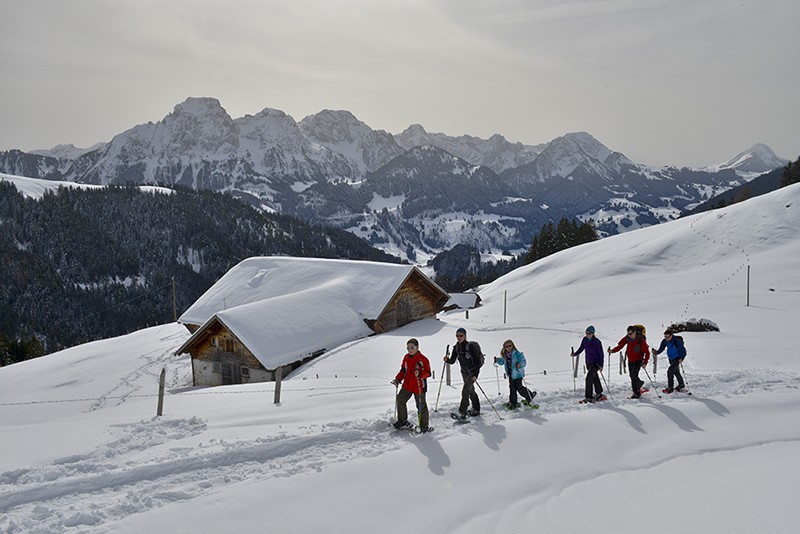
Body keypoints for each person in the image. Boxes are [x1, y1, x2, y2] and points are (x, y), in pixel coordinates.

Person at [391, 338, 432, 432]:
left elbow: (428, 373)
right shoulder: (406, 357)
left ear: (417, 347)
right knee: (400, 399)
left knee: (421, 406)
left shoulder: (423, 359)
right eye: (408, 348)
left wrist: (420, 373)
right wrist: (398, 379)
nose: (410, 350)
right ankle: (402, 421)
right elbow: (403, 370)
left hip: (419, 386)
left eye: (412, 347)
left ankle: (423, 426)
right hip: (407, 385)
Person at [445, 327, 483, 419]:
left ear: (465, 336)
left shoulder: (470, 346)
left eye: (461, 335)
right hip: (464, 372)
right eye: (457, 335)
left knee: (465, 391)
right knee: (471, 391)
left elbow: (478, 362)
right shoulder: (456, 347)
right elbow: (453, 361)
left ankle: (462, 412)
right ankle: (476, 408)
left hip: (472, 372)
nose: (459, 337)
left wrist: (475, 375)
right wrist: (447, 360)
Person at [608, 325, 650, 398]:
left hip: (638, 360)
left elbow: (647, 352)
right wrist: (612, 351)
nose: (629, 335)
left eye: (631, 333)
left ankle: (636, 393)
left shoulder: (641, 340)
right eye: (628, 334)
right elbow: (620, 346)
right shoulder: (627, 338)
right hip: (630, 360)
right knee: (632, 376)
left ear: (635, 332)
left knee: (634, 375)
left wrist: (645, 362)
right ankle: (639, 383)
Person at [495, 339, 536, 409]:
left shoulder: (517, 354)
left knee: (519, 388)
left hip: (517, 374)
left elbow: (524, 361)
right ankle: (513, 402)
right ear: (504, 347)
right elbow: (502, 362)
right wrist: (498, 360)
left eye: (510, 346)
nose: (508, 348)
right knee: (512, 388)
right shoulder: (505, 355)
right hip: (510, 374)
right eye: (506, 346)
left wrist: (520, 364)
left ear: (513, 346)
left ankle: (529, 395)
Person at [572, 325, 605, 403]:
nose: (587, 334)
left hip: (596, 363)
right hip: (588, 362)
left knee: (589, 378)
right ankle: (599, 393)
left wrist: (601, 365)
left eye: (589, 333)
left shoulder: (597, 342)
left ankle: (588, 397)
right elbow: (581, 348)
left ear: (593, 333)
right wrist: (575, 354)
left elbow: (601, 354)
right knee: (594, 377)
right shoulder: (585, 340)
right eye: (586, 333)